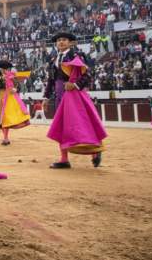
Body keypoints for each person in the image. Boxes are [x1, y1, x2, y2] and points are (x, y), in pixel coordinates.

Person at [44, 31, 106, 169]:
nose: (61, 42)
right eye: (59, 40)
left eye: (64, 39)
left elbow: (87, 75)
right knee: (61, 126)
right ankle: (64, 159)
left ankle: (94, 152)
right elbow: (51, 80)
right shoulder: (54, 59)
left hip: (74, 96)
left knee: (82, 124)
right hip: (60, 96)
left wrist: (75, 85)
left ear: (70, 43)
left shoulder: (76, 56)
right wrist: (46, 97)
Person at [0, 61, 30, 145]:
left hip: (9, 97)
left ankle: (5, 138)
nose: (5, 70)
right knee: (3, 118)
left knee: (7, 117)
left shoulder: (11, 75)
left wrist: (15, 89)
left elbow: (17, 85)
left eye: (6, 69)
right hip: (2, 97)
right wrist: (1, 79)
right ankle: (5, 138)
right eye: (4, 69)